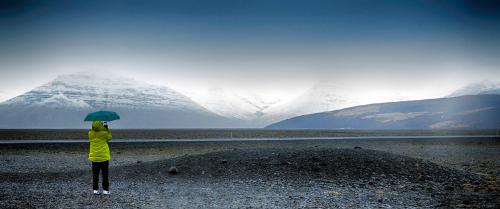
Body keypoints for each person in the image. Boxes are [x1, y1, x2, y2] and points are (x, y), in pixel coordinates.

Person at [88, 121, 112, 195]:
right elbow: (109, 137)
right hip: (104, 157)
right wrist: (106, 128)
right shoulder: (104, 133)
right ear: (101, 125)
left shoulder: (90, 133)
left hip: (94, 158)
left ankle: (95, 190)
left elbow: (94, 132)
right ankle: (105, 190)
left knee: (95, 174)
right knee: (105, 174)